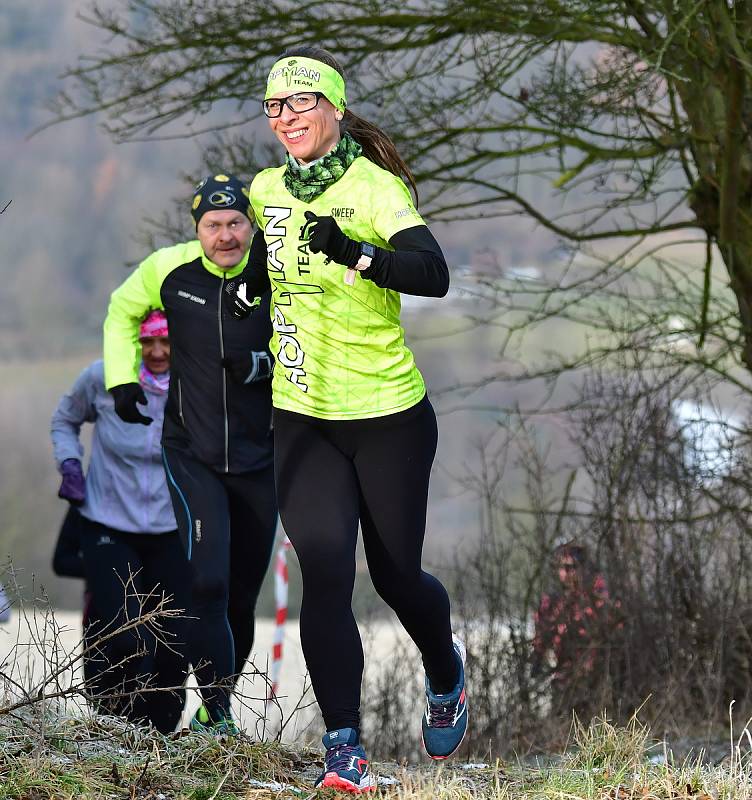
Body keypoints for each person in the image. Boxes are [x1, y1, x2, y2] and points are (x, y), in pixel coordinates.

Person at [224, 47, 466, 791]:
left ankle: (445, 667)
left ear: (332, 109)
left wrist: (357, 254)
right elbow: (270, 256)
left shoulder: (375, 188)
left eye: (301, 104)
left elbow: (434, 274)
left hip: (389, 415)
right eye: (275, 108)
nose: (286, 118)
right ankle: (344, 748)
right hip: (304, 417)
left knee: (397, 579)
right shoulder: (266, 188)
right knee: (325, 576)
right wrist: (251, 293)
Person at [102, 176, 277, 735]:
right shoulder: (169, 270)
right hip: (191, 453)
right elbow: (120, 310)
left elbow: (315, 333)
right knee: (207, 583)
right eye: (213, 226)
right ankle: (220, 716)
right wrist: (121, 378)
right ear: (196, 228)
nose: (225, 236)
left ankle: (211, 708)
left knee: (242, 596)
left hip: (261, 459)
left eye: (235, 224)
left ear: (250, 224)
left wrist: (264, 364)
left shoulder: (275, 267)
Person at [50, 311, 189, 733]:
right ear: (133, 342)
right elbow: (64, 420)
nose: (158, 352)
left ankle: (161, 734)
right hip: (108, 521)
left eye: (166, 341)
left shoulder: (194, 382)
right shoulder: (101, 377)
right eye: (148, 343)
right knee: (121, 633)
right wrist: (71, 464)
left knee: (170, 638)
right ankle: (113, 727)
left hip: (169, 526)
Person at [533, 541, 622, 718]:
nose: (565, 574)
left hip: (597, 675)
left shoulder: (596, 596)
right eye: (561, 567)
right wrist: (538, 658)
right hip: (563, 677)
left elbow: (613, 629)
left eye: (571, 567)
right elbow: (541, 636)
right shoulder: (551, 602)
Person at [51, 505, 100, 685]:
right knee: (99, 689)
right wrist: (107, 568)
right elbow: (61, 561)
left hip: (156, 611)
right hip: (99, 614)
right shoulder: (86, 500)